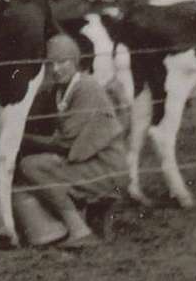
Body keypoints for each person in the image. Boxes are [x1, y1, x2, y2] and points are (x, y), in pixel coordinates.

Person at [14, 33, 127, 250]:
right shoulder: (60, 91)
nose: (56, 69)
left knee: (32, 166)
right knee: (31, 170)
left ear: (75, 61)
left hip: (106, 167)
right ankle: (58, 228)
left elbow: (66, 142)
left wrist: (19, 138)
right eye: (50, 64)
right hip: (87, 163)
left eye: (63, 62)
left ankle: (79, 230)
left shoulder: (86, 87)